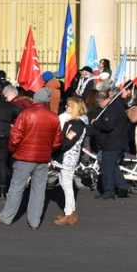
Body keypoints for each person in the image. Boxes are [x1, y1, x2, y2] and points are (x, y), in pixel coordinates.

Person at [0, 87, 62, 229]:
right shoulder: (54, 117)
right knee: (39, 190)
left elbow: (15, 137)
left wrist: (13, 150)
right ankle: (34, 221)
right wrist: (48, 151)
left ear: (35, 99)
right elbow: (57, 141)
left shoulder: (26, 114)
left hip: (24, 156)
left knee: (17, 187)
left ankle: (7, 217)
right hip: (42, 158)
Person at [90, 90, 131, 200]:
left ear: (102, 101)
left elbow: (108, 126)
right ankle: (123, 187)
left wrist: (96, 123)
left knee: (107, 168)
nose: (99, 105)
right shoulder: (115, 105)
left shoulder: (111, 108)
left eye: (99, 103)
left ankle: (109, 191)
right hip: (117, 141)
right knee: (113, 166)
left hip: (112, 143)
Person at [53, 97, 87, 226]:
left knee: (67, 185)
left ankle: (69, 214)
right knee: (63, 183)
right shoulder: (72, 122)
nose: (66, 108)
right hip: (64, 156)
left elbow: (68, 142)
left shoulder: (77, 124)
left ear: (75, 108)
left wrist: (55, 148)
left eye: (69, 106)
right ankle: (70, 211)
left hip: (68, 157)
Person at [123, 80, 137, 155]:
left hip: (131, 119)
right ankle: (132, 152)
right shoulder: (135, 95)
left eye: (127, 89)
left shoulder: (134, 96)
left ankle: (131, 153)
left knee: (130, 137)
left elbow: (126, 105)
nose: (126, 91)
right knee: (130, 136)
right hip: (132, 119)